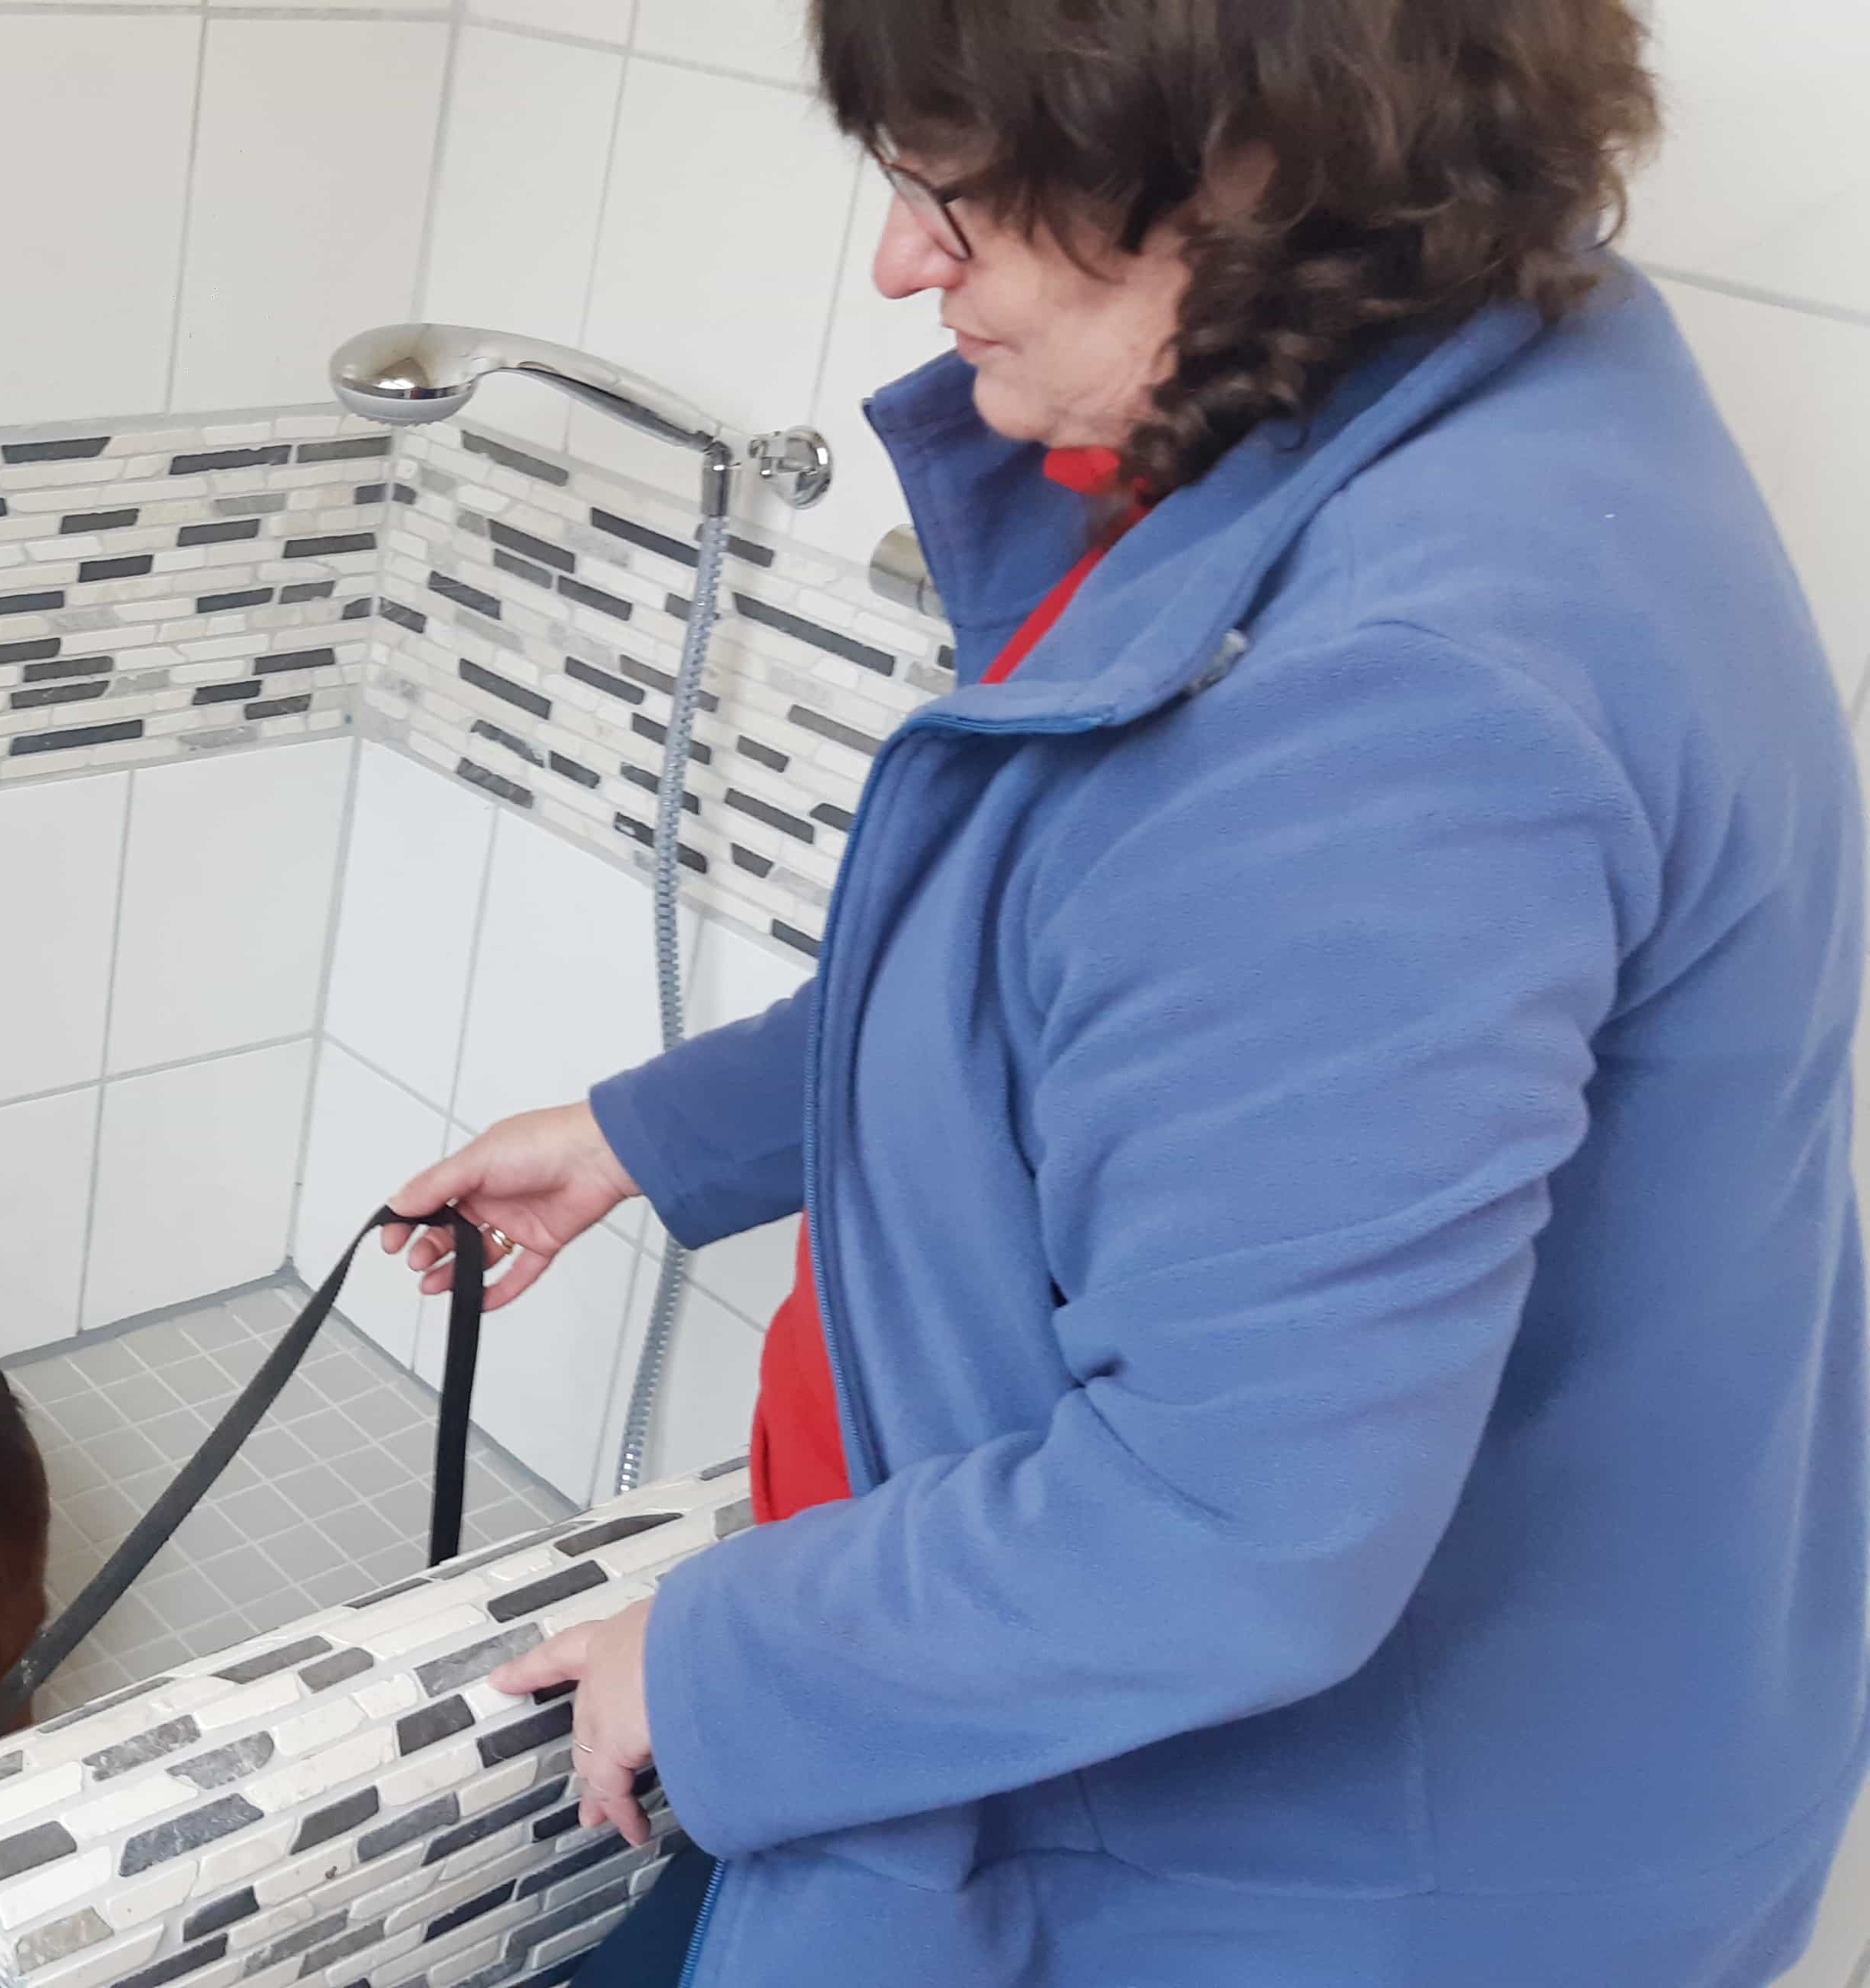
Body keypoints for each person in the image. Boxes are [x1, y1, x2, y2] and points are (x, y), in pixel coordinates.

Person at [379, 1, 1868, 1981]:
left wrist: (722, 1657)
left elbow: (1235, 1524)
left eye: (957, 193)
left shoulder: (1382, 701)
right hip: (1515, 1765)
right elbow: (1099, 1020)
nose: (905, 263)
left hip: (1291, 1881)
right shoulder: (1517, 393)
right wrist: (649, 1137)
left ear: (1252, 151)